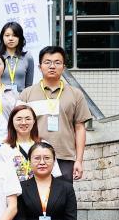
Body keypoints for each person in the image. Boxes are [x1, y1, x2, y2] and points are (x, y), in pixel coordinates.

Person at [18, 45, 92, 183]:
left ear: (63, 67)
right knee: (32, 195)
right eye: (47, 62)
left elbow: (80, 128)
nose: (52, 66)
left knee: (63, 195)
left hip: (64, 156)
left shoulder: (75, 94)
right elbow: (18, 125)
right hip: (33, 156)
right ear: (40, 67)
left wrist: (79, 160)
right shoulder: (26, 94)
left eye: (57, 62)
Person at [0, 104, 64, 181]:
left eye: (28, 119)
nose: (23, 122)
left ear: (34, 121)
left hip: (41, 187)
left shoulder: (44, 145)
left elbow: (55, 174)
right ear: (12, 122)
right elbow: (0, 177)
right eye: (19, 119)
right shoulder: (4, 148)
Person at [0, 21, 35, 93]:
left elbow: (29, 85)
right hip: (0, 98)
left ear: (20, 38)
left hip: (21, 98)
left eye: (15, 35)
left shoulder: (28, 57)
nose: (10, 38)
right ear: (2, 37)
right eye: (7, 35)